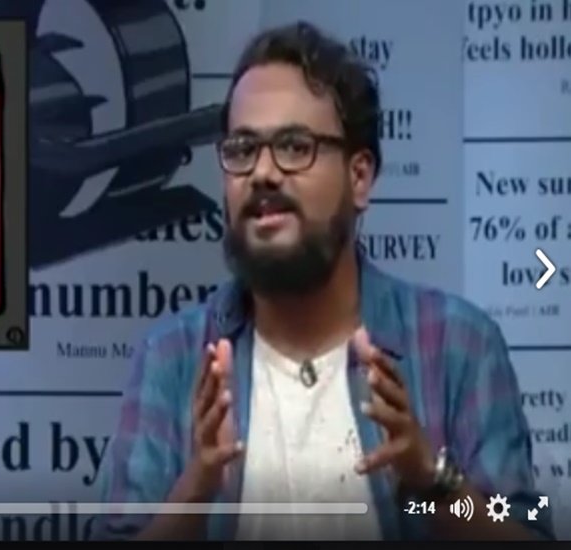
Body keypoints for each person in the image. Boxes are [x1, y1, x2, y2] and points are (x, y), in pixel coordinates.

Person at [93, 21, 552, 541]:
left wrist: (431, 483)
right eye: (242, 149)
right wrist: (196, 489)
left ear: (359, 177)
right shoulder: (173, 358)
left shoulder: (458, 346)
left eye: (294, 146)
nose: (262, 173)